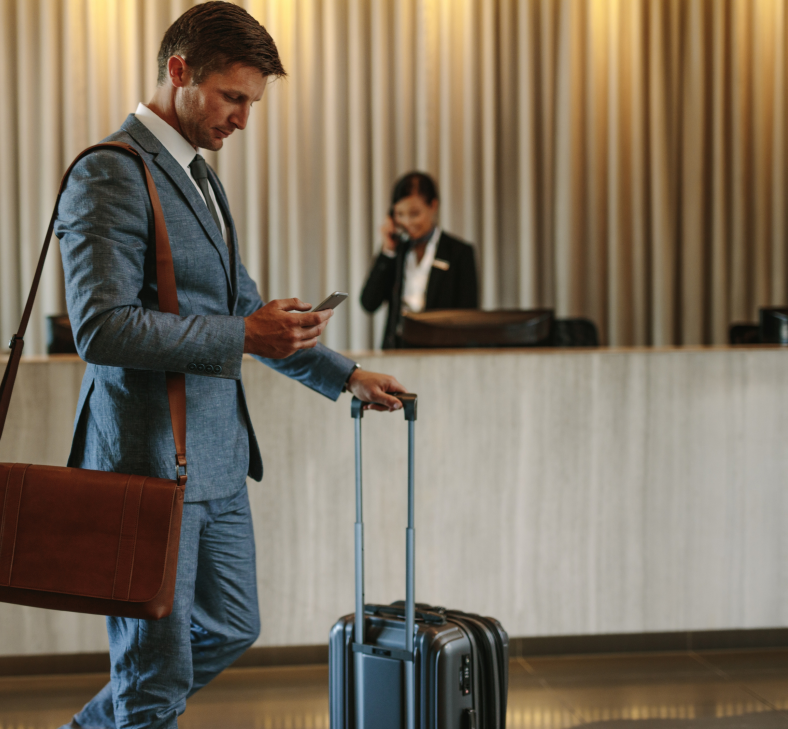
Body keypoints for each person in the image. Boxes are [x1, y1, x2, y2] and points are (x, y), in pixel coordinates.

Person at [54, 4, 406, 728]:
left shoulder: (201, 177)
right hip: (147, 464)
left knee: (233, 627)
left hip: (215, 459)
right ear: (179, 72)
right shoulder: (111, 172)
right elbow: (101, 327)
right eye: (233, 97)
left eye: (253, 101)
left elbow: (240, 307)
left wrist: (345, 374)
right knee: (154, 674)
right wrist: (243, 332)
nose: (244, 119)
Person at [360, 172, 479, 349]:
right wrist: (387, 251)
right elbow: (369, 303)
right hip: (398, 350)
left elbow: (468, 315)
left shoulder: (459, 252)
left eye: (414, 214)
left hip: (442, 350)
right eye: (400, 214)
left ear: (433, 206)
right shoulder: (396, 251)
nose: (407, 222)